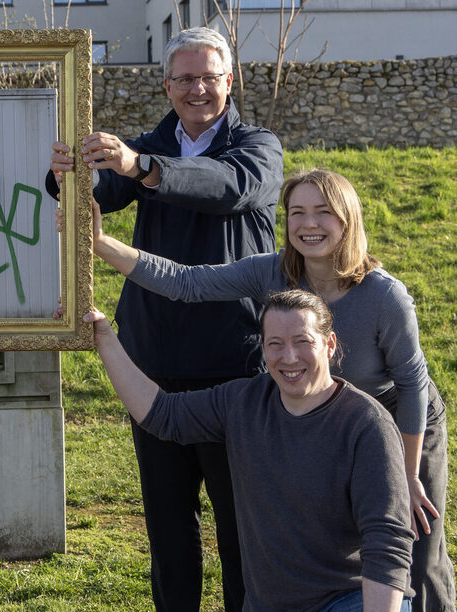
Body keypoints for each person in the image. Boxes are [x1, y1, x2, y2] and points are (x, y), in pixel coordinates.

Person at [85, 168, 457, 611]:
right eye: (296, 212)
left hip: (399, 412)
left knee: (415, 540)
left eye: (323, 212)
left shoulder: (384, 296)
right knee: (336, 536)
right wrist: (100, 242)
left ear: (347, 218)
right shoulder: (273, 272)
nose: (309, 224)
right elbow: (186, 282)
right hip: (322, 407)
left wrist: (409, 474)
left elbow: (414, 383)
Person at [47, 26, 284, 611]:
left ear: (231, 81)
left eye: (209, 76)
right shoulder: (144, 146)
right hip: (153, 368)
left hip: (237, 369)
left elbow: (227, 188)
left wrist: (145, 167)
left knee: (241, 534)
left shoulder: (258, 147)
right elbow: (96, 188)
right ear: (166, 84)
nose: (198, 88)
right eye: (185, 78)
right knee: (168, 534)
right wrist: (65, 175)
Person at [86, 290, 415, 611]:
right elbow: (163, 414)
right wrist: (104, 337)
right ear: (263, 349)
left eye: (303, 342)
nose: (289, 357)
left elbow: (386, 543)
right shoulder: (244, 403)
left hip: (350, 600)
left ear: (329, 346)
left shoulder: (367, 425)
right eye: (275, 344)